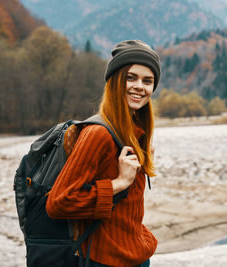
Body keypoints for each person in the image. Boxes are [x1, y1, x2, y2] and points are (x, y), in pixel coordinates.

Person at [46, 40, 161, 267]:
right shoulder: (98, 134)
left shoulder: (135, 133)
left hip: (135, 254)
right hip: (104, 260)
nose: (140, 86)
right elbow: (59, 203)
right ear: (115, 81)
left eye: (148, 81)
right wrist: (118, 183)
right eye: (131, 77)